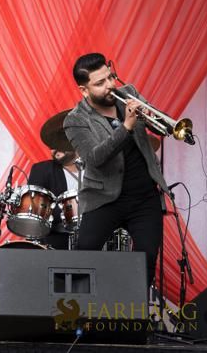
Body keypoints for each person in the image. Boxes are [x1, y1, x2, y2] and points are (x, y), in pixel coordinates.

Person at [63, 53, 168, 287]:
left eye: (110, 77)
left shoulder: (128, 93)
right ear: (84, 90)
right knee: (83, 259)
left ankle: (134, 308)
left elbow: (160, 128)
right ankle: (80, 308)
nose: (110, 85)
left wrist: (153, 117)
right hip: (103, 199)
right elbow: (95, 158)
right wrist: (127, 126)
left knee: (146, 261)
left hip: (144, 197)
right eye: (100, 83)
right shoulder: (75, 119)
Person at [27, 149, 81, 249]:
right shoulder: (42, 169)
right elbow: (35, 208)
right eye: (51, 146)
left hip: (95, 238)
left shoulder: (96, 169)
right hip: (54, 242)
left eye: (58, 143)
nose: (54, 150)